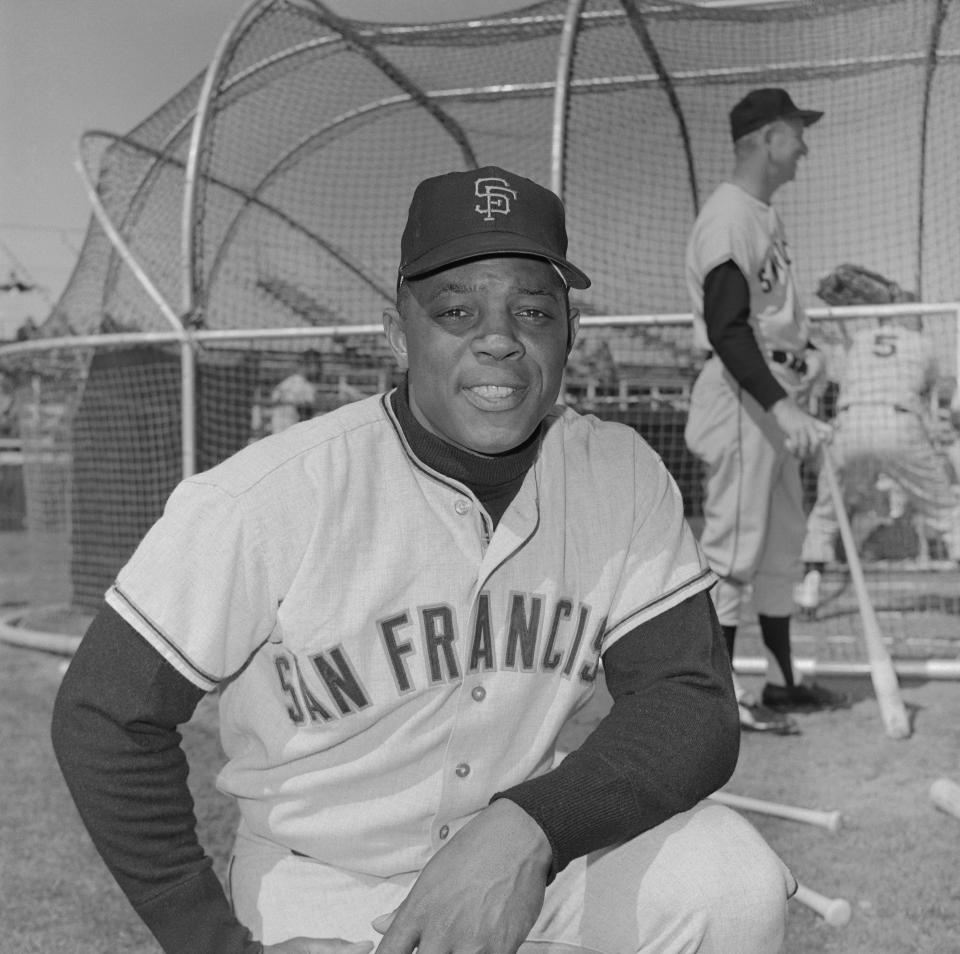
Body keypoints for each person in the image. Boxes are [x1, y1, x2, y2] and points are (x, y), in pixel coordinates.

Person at [52, 165, 794, 954]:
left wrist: (530, 828)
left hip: (530, 863)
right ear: (398, 334)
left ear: (570, 333)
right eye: (456, 310)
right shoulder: (271, 494)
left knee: (731, 884)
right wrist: (211, 945)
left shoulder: (619, 474)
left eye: (533, 310)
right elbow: (105, 712)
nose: (499, 338)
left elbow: (689, 704)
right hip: (323, 881)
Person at [683, 89, 846, 735]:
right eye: (797, 132)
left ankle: (780, 685)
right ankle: (715, 704)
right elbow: (727, 327)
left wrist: (804, 361)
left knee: (781, 549)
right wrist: (784, 405)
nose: (804, 145)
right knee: (733, 552)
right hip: (744, 397)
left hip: (772, 398)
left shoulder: (759, 213)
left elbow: (766, 317)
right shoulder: (729, 216)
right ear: (769, 137)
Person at [796, 314, 960, 615]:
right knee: (948, 512)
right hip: (898, 422)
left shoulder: (859, 340)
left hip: (849, 423)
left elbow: (838, 376)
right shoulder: (922, 342)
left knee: (825, 513)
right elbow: (931, 389)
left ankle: (809, 587)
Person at [269, 350, 322, 434]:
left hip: (276, 435)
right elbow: (308, 418)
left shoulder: (283, 384)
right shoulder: (307, 387)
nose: (320, 369)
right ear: (310, 364)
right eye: (318, 365)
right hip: (295, 436)